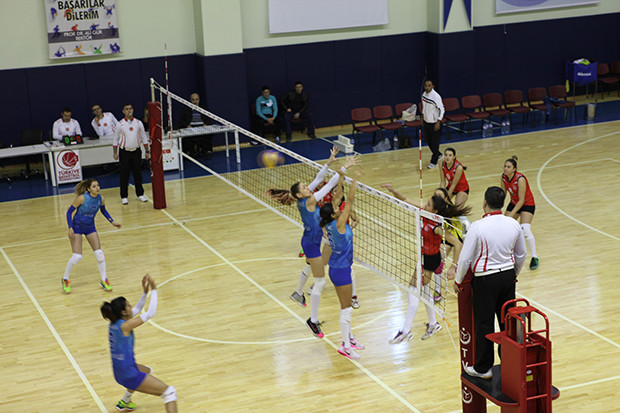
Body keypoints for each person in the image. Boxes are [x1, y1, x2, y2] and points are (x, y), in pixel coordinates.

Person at [266, 147, 359, 338]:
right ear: (300, 195)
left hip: (313, 239)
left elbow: (318, 179)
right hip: (311, 244)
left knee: (317, 274)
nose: (308, 188)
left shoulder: (304, 198)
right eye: (305, 188)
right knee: (320, 282)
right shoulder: (309, 201)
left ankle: (299, 295)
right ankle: (313, 320)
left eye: (306, 186)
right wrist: (344, 168)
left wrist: (328, 162)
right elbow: (328, 185)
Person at [453, 186, 527, 379]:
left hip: (485, 280)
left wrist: (458, 280)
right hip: (508, 278)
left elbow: (465, 258)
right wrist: (513, 274)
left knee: (484, 324)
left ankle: (483, 368)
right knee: (507, 323)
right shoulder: (513, 224)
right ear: (503, 203)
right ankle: (509, 363)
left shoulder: (477, 226)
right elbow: (521, 254)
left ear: (484, 203)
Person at [382, 184, 468, 343]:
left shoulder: (437, 226)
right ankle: (433, 324)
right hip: (424, 257)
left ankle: (406, 331)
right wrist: (393, 191)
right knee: (425, 290)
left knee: (414, 290)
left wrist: (453, 266)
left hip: (430, 260)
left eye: (428, 204)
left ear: (434, 210)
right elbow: (405, 199)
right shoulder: (424, 211)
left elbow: (458, 243)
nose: (425, 205)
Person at [101, 274, 178, 412]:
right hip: (128, 374)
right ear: (123, 312)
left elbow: (136, 311)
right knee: (170, 393)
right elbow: (150, 313)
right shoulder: (126, 326)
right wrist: (154, 290)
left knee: (147, 371)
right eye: (128, 305)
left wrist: (145, 293)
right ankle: (127, 398)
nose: (131, 307)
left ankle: (125, 401)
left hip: (119, 372)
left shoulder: (114, 324)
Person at [319, 168, 365, 359]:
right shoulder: (339, 224)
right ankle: (345, 346)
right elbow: (350, 200)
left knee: (346, 307)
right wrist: (354, 179)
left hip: (339, 268)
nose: (338, 208)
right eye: (336, 209)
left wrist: (342, 175)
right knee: (346, 309)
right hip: (340, 271)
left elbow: (338, 197)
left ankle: (350, 338)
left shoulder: (331, 223)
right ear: (333, 215)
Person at [62, 178, 121, 294]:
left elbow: (103, 211)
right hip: (77, 227)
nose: (97, 188)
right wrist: (70, 228)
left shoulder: (101, 198)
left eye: (98, 185)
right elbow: (69, 212)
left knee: (99, 254)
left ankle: (104, 280)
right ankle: (65, 279)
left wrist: (112, 221)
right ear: (89, 189)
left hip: (90, 227)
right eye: (94, 186)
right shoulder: (82, 198)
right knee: (77, 257)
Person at [500, 156, 539, 270]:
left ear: (514, 169)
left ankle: (534, 257)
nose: (505, 169)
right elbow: (503, 194)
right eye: (505, 166)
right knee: (504, 227)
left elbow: (521, 200)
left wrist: (510, 215)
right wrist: (499, 207)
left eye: (508, 167)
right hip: (514, 203)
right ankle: (506, 254)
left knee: (525, 229)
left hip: (527, 203)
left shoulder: (520, 179)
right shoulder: (503, 177)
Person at [113, 103, 150, 205]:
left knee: (138, 174)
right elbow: (115, 139)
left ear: (133, 110)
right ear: (123, 111)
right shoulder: (120, 124)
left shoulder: (138, 123)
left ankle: (140, 194)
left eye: (130, 108)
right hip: (124, 152)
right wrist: (115, 153)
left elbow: (144, 137)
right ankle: (124, 196)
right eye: (127, 109)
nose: (129, 110)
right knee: (124, 175)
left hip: (136, 151)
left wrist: (147, 151)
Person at [440, 147, 471, 231]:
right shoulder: (442, 164)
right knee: (440, 205)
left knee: (457, 210)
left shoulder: (458, 167)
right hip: (451, 188)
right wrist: (441, 196)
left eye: (450, 155)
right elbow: (443, 182)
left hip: (462, 189)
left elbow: (454, 185)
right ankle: (444, 225)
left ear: (454, 157)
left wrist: (446, 198)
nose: (447, 157)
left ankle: (468, 227)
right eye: (446, 155)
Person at [421, 80, 444, 168]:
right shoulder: (424, 95)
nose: (427, 87)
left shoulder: (436, 97)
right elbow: (424, 107)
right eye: (426, 85)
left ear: (432, 86)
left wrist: (438, 121)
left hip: (434, 123)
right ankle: (438, 154)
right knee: (428, 141)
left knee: (435, 143)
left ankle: (434, 162)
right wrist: (423, 116)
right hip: (426, 122)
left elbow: (442, 109)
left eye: (429, 85)